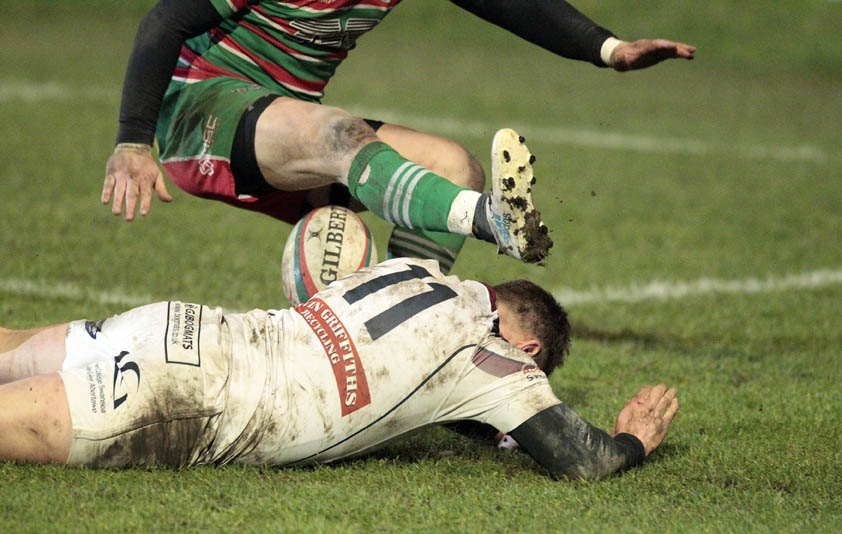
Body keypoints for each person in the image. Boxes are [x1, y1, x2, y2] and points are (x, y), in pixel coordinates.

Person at [100, 0, 696, 271]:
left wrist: (608, 49)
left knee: (454, 166)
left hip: (288, 124)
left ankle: (398, 334)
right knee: (340, 134)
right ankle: (493, 221)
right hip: (203, 109)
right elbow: (165, 19)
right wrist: (132, 142)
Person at [0, 258, 678, 479]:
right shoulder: (494, 357)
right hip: (193, 398)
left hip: (186, 325)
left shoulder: (414, 269)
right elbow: (580, 460)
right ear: (529, 351)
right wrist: (633, 440)